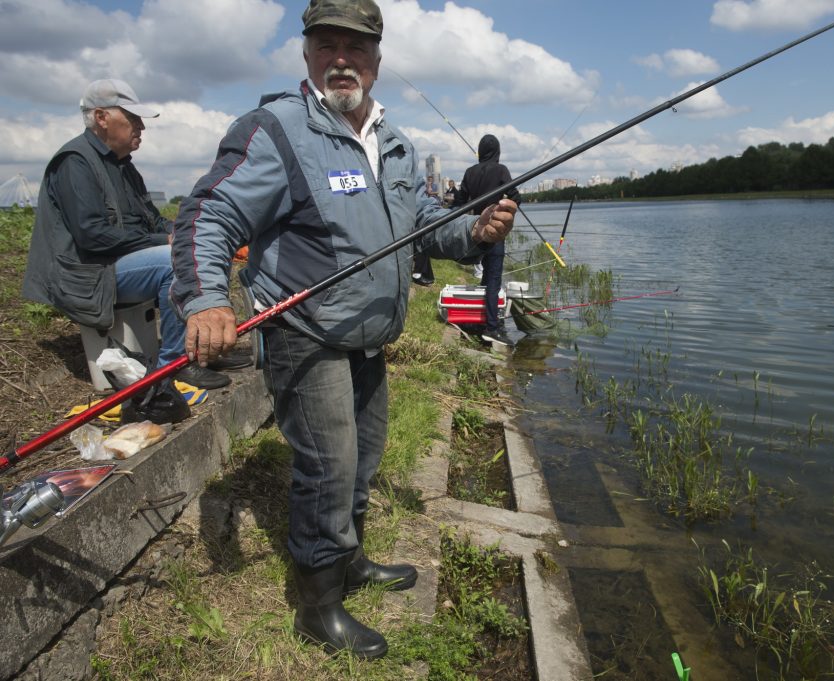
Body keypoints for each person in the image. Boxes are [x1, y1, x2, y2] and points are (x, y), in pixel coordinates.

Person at [169, 0, 517, 659]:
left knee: (364, 455)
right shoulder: (276, 130)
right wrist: (207, 298)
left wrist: (472, 231)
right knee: (329, 466)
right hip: (308, 332)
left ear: (377, 62)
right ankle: (318, 603)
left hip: (368, 334)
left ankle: (349, 558)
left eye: (355, 48)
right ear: (305, 53)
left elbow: (420, 219)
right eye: (326, 45)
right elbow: (207, 217)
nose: (341, 59)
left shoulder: (394, 142)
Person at [21, 79, 237, 390]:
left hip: (117, 265)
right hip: (89, 273)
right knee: (175, 261)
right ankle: (175, 364)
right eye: (133, 119)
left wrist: (189, 232)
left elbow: (150, 220)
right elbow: (92, 236)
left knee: (200, 249)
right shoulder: (75, 162)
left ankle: (202, 349)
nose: (141, 128)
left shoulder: (123, 166)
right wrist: (166, 242)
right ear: (101, 117)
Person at [452, 134, 521, 348]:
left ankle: (482, 320)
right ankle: (492, 327)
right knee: (492, 280)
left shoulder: (469, 172)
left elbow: (460, 202)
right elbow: (515, 196)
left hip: (474, 231)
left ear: (480, 152)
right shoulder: (501, 171)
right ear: (498, 151)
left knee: (484, 278)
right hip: (494, 231)